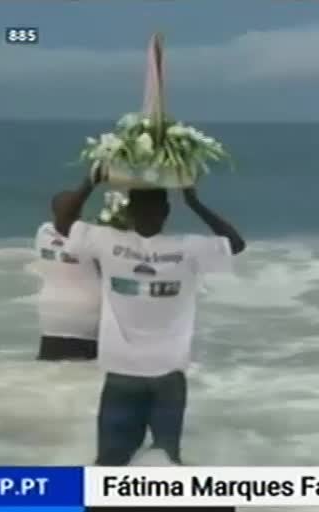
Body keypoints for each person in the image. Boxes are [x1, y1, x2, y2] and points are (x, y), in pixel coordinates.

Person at [53, 165, 245, 465]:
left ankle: (103, 511)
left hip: (121, 372)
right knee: (167, 463)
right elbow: (235, 243)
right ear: (167, 211)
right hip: (168, 374)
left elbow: (63, 223)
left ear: (129, 211)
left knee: (108, 463)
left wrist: (90, 182)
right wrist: (195, 203)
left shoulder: (109, 242)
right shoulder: (187, 248)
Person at [33, 193, 102, 361]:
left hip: (51, 321)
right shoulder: (90, 237)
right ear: (79, 214)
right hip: (85, 324)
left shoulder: (44, 232)